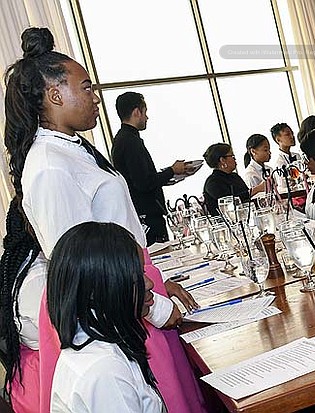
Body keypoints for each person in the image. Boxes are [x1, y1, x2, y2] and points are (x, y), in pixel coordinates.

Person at [3, 27, 205, 412]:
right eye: (86, 87)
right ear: (55, 94)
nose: (95, 97)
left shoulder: (71, 148)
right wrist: (156, 308)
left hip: (132, 289)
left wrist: (156, 284)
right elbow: (84, 266)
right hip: (118, 304)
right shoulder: (49, 165)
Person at [48, 222, 164, 412]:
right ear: (99, 291)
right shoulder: (105, 371)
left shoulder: (97, 344)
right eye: (136, 277)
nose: (150, 284)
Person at [111, 91, 197, 245]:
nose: (147, 118)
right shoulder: (130, 142)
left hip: (143, 213)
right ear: (137, 112)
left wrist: (170, 174)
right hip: (148, 215)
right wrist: (172, 170)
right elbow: (144, 182)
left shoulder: (123, 139)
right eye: (145, 112)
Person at [0, 199, 46, 412]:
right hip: (43, 381)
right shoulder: (38, 277)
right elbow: (65, 335)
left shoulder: (20, 265)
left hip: (28, 378)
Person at [203, 143, 264, 216]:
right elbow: (230, 202)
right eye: (232, 156)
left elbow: (247, 198)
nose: (235, 159)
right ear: (222, 160)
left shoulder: (235, 176)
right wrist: (258, 189)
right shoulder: (213, 182)